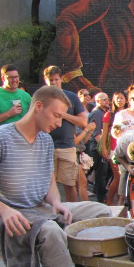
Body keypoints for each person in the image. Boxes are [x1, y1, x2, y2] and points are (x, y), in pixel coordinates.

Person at [0, 86, 133, 267]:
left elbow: (48, 181)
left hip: (40, 208)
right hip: (8, 217)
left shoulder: (45, 140)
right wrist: (3, 210)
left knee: (101, 212)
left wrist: (56, 203)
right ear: (38, 106)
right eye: (56, 115)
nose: (60, 123)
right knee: (50, 231)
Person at [43, 65, 88, 202]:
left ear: (61, 79)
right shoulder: (41, 97)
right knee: (46, 185)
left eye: (56, 79)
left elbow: (83, 122)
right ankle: (49, 215)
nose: (53, 83)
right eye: (51, 80)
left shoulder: (71, 97)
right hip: (46, 147)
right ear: (46, 81)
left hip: (67, 146)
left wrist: (64, 115)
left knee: (70, 184)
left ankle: (72, 214)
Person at [0, 64, 31, 130]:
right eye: (11, 77)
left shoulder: (26, 96)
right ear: (3, 78)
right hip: (1, 137)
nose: (15, 80)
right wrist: (8, 114)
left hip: (23, 137)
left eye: (16, 77)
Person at [102, 91, 128, 205]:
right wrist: (104, 147)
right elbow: (104, 133)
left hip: (127, 149)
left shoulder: (129, 113)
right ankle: (110, 201)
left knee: (122, 179)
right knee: (118, 177)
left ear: (126, 100)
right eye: (117, 98)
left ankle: (120, 202)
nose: (119, 100)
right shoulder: (110, 115)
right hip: (113, 149)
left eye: (122, 98)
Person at [87, 92, 111, 203]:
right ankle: (101, 197)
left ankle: (101, 193)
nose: (107, 101)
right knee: (100, 173)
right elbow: (96, 133)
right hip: (97, 147)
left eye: (107, 99)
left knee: (104, 172)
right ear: (98, 101)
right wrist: (103, 148)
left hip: (101, 146)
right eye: (104, 99)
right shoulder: (97, 113)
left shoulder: (103, 112)